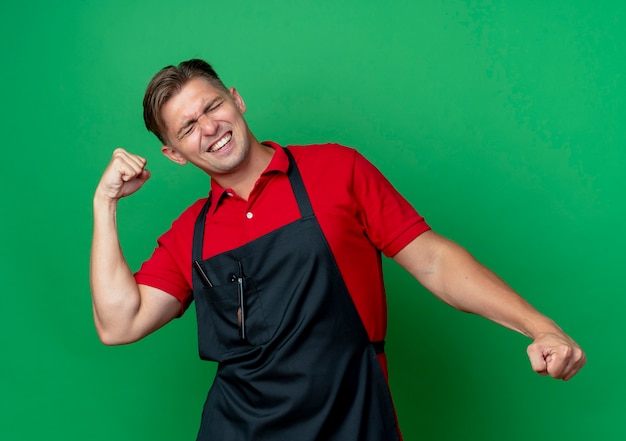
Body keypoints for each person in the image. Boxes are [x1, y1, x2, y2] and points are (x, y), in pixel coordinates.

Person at [91, 58, 586, 440]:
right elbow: (119, 323)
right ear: (174, 155)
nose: (210, 127)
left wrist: (540, 326)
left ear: (236, 100)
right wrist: (105, 204)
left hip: (354, 423)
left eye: (212, 106)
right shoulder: (190, 235)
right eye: (187, 127)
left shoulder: (336, 171)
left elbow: (433, 260)